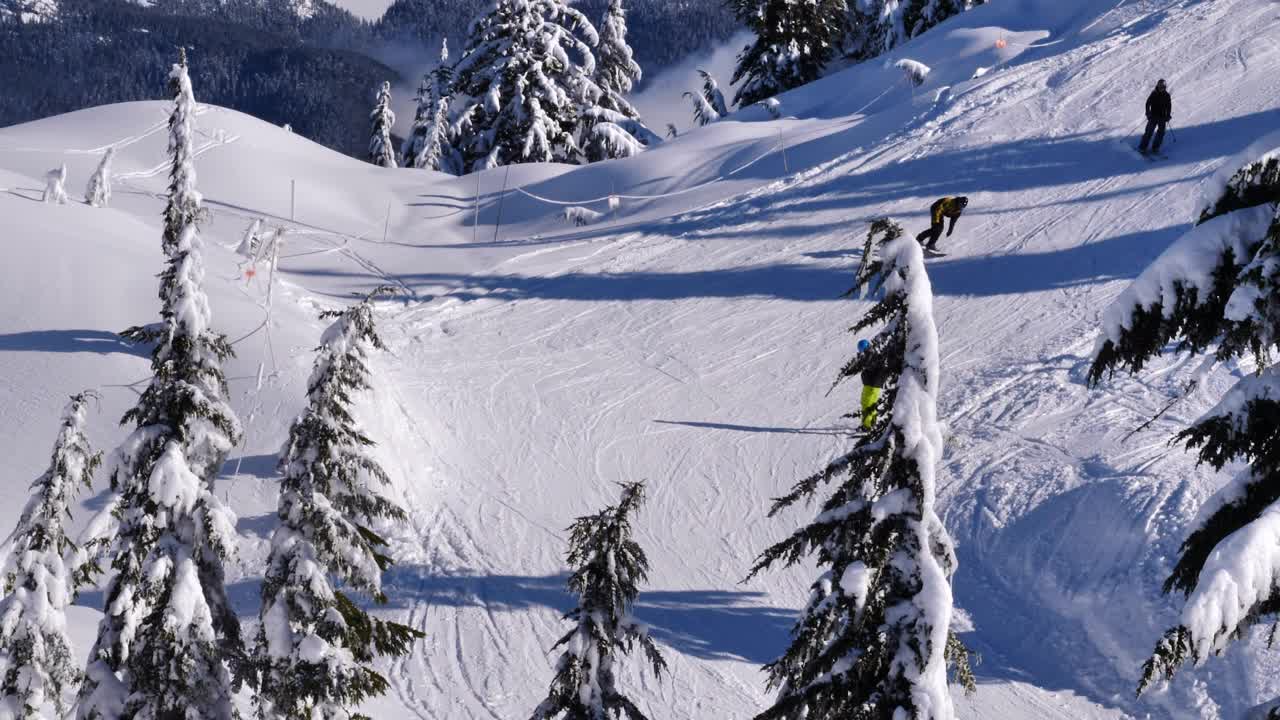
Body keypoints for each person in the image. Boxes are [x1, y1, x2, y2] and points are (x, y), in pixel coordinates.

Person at [858, 339, 890, 430]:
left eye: (862, 350)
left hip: (873, 384)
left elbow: (875, 367)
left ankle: (867, 426)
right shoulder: (872, 356)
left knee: (868, 404)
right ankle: (871, 423)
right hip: (869, 384)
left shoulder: (872, 356)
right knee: (865, 402)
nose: (861, 353)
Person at [1139, 79, 1172, 154]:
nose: (1161, 88)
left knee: (1161, 133)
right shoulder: (1154, 94)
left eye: (1163, 87)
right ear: (1157, 86)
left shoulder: (1167, 95)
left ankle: (1155, 147)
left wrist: (1168, 115)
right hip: (1153, 116)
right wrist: (1148, 113)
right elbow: (1147, 103)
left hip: (1162, 117)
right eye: (1160, 87)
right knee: (1149, 132)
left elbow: (1169, 106)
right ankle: (1142, 147)